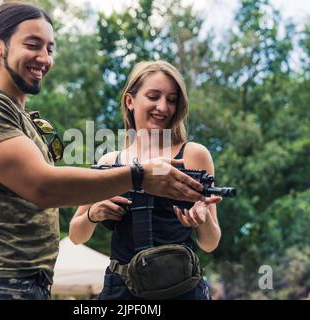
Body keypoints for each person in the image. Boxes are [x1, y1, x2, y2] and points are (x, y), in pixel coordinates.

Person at [0, 3, 205, 300]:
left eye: (50, 48)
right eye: (32, 44)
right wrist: (138, 178)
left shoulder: (24, 118)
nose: (44, 57)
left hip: (25, 280)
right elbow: (43, 186)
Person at [69, 60, 222, 300]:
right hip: (122, 291)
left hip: (182, 289)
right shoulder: (110, 162)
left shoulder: (194, 155)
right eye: (153, 96)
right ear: (130, 101)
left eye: (171, 100)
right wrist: (93, 214)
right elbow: (76, 235)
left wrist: (201, 220)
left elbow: (210, 243)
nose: (163, 107)